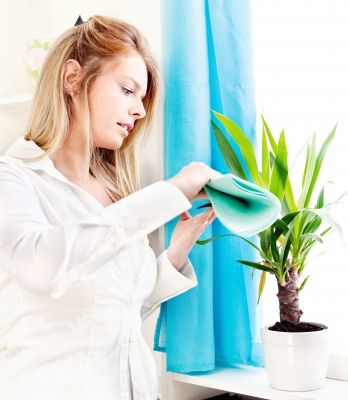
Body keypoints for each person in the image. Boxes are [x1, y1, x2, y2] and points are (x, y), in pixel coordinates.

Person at [0, 15, 220, 400]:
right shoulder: (14, 178)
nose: (138, 110)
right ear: (72, 78)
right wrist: (170, 191)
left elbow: (115, 310)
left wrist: (172, 257)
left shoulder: (111, 192)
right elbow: (39, 266)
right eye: (127, 89)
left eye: (141, 98)